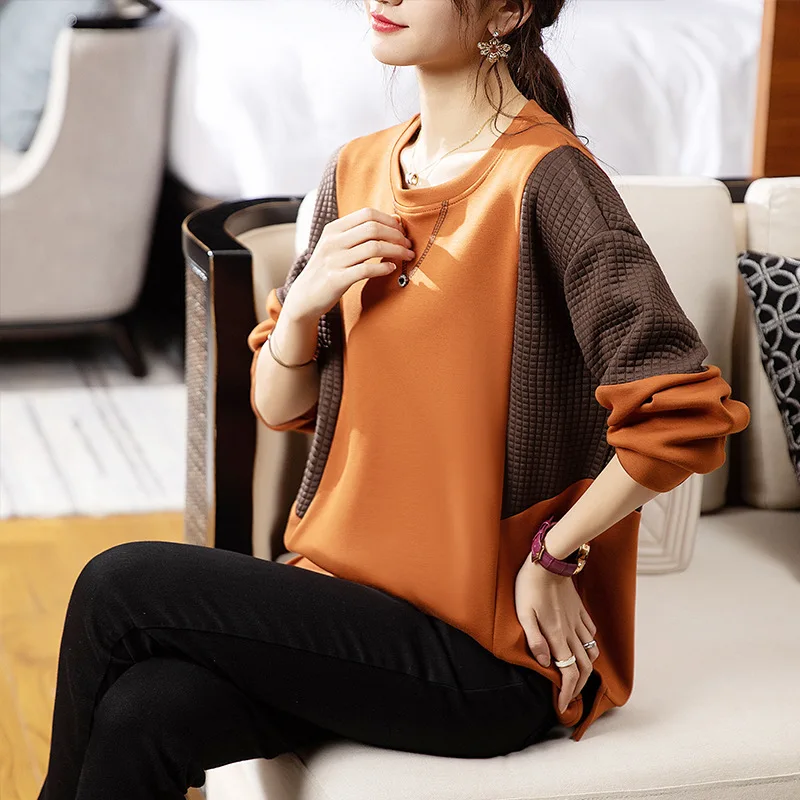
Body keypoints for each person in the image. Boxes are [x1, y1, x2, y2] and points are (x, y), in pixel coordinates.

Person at [37, 1, 750, 797]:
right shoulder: (356, 169)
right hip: (343, 603)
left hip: (484, 654)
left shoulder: (550, 178)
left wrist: (556, 552)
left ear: (509, 10)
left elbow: (686, 414)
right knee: (143, 714)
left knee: (117, 584)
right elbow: (279, 405)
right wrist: (301, 307)